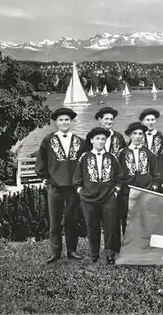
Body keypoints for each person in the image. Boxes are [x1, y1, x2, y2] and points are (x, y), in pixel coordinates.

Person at [35, 107, 86, 264]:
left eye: (67, 120)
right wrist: (44, 177)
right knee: (55, 221)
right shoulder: (48, 140)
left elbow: (85, 163)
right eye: (61, 120)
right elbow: (42, 159)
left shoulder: (80, 141)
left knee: (72, 219)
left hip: (73, 186)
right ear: (56, 122)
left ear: (71, 121)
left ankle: (72, 251)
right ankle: (55, 252)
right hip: (54, 186)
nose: (64, 122)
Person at [73, 127, 123, 264]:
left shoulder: (112, 157)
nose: (100, 142)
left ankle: (109, 253)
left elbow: (120, 177)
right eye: (98, 139)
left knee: (110, 226)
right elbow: (77, 179)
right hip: (88, 198)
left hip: (108, 198)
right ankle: (94, 253)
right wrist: (81, 192)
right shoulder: (84, 157)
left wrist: (116, 192)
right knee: (92, 225)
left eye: (103, 139)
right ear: (92, 140)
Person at [115, 122, 158, 252]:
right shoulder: (122, 153)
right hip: (127, 192)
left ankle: (144, 245)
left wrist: (153, 187)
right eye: (135, 134)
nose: (138, 136)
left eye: (140, 134)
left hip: (145, 191)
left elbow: (155, 173)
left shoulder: (149, 153)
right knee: (127, 219)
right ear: (129, 135)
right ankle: (128, 245)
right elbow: (118, 174)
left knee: (145, 218)